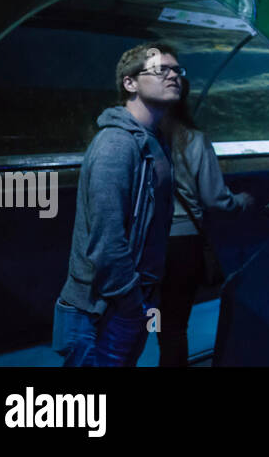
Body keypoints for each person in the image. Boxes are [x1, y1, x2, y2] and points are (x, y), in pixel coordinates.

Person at [53, 42, 181, 366]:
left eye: (177, 70)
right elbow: (107, 241)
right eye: (160, 70)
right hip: (99, 313)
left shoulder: (152, 140)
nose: (173, 76)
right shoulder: (116, 144)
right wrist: (131, 304)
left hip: (124, 305)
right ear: (130, 83)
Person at [157, 81, 254, 366]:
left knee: (149, 321)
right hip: (183, 244)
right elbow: (215, 199)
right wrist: (241, 202)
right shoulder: (194, 140)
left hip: (146, 242)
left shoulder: (140, 140)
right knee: (175, 325)